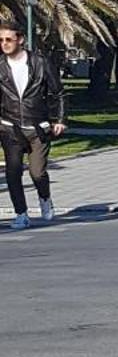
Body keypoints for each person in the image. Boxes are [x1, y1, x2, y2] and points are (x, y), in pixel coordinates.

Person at [0, 17, 65, 230]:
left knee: (37, 172)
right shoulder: (0, 66)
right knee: (12, 172)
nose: (4, 44)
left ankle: (45, 198)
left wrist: (59, 120)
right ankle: (21, 214)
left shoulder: (40, 63)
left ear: (21, 40)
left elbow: (58, 93)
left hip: (38, 128)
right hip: (10, 128)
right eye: (1, 40)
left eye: (8, 39)